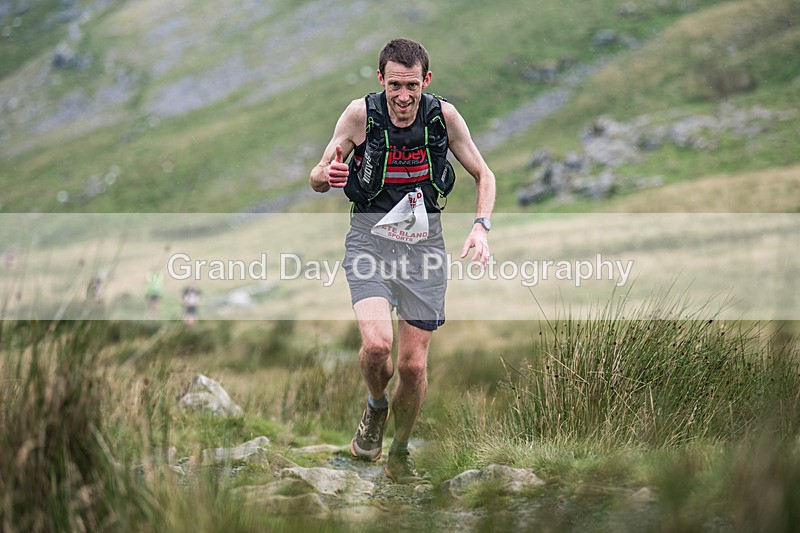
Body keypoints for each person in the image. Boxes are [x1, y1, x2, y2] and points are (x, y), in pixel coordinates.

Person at [309, 38, 495, 484]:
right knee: (377, 349)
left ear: (426, 81)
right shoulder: (360, 115)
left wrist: (480, 227)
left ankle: (400, 450)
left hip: (424, 249)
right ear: (381, 80)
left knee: (412, 367)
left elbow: (484, 174)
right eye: (395, 85)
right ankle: (376, 406)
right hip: (369, 243)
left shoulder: (443, 117)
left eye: (412, 85)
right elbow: (318, 175)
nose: (403, 96)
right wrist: (327, 177)